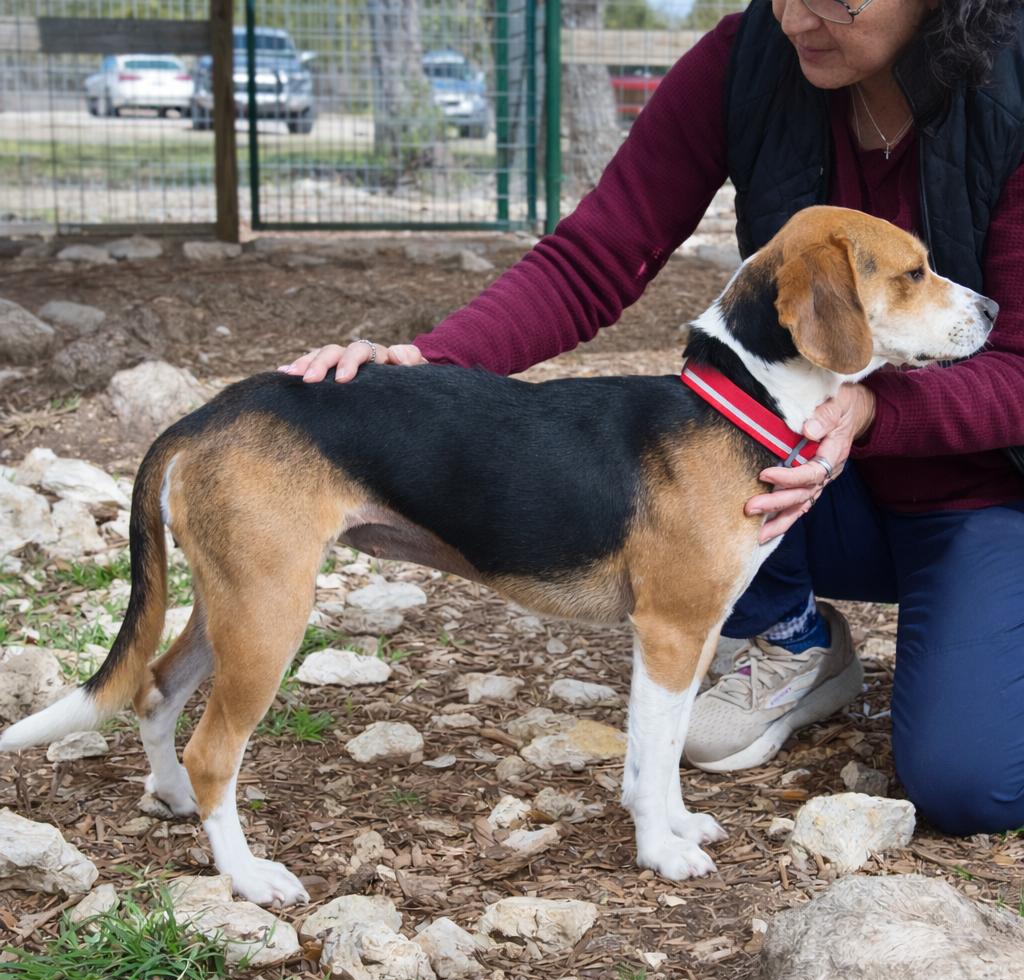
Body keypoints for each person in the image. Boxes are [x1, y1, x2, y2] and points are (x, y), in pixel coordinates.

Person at [279, 0, 1024, 837]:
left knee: (972, 784)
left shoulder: (1014, 85)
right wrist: (427, 366)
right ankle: (791, 636)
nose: (794, 17)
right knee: (689, 451)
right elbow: (596, 256)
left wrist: (873, 411)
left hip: (977, 492)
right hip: (799, 472)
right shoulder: (747, 61)